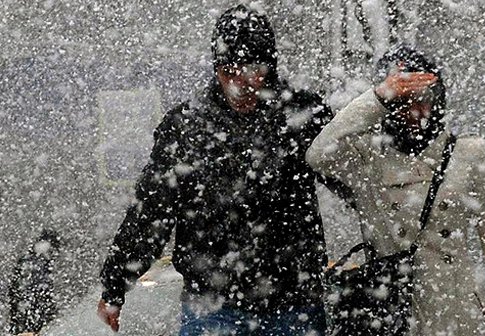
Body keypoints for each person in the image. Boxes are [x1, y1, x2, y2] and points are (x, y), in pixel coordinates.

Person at [98, 5, 333, 335]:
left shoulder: (303, 116)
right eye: (228, 72)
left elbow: (354, 179)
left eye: (251, 71)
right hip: (213, 307)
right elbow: (152, 211)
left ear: (269, 67)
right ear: (216, 69)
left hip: (293, 304)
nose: (239, 85)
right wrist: (115, 284)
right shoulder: (186, 127)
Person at [306, 45, 485, 335]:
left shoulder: (467, 155)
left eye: (425, 98)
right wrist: (377, 97)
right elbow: (317, 155)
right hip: (393, 316)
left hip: (460, 317)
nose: (416, 111)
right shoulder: (366, 157)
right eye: (402, 100)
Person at [9, 230, 62, 335]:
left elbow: (15, 289)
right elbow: (40, 289)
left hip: (24, 312)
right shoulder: (39, 263)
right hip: (32, 313)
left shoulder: (28, 260)